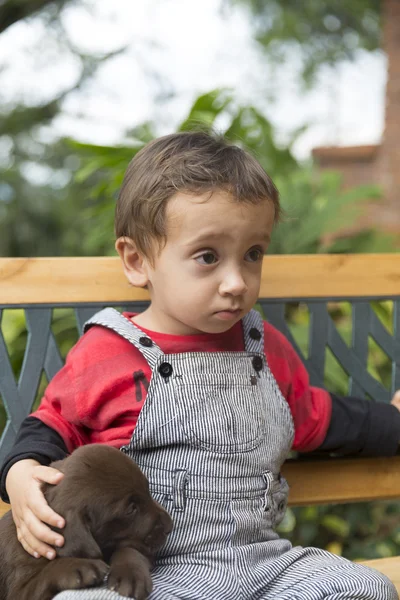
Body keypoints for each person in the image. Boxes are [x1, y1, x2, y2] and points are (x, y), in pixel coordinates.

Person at [1, 131, 400, 600]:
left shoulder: (264, 349)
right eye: (208, 257)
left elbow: (320, 417)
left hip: (267, 563)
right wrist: (21, 471)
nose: (236, 281)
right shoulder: (108, 353)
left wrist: (392, 421)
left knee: (365, 586)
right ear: (137, 260)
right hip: (155, 573)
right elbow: (51, 424)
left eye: (253, 254)